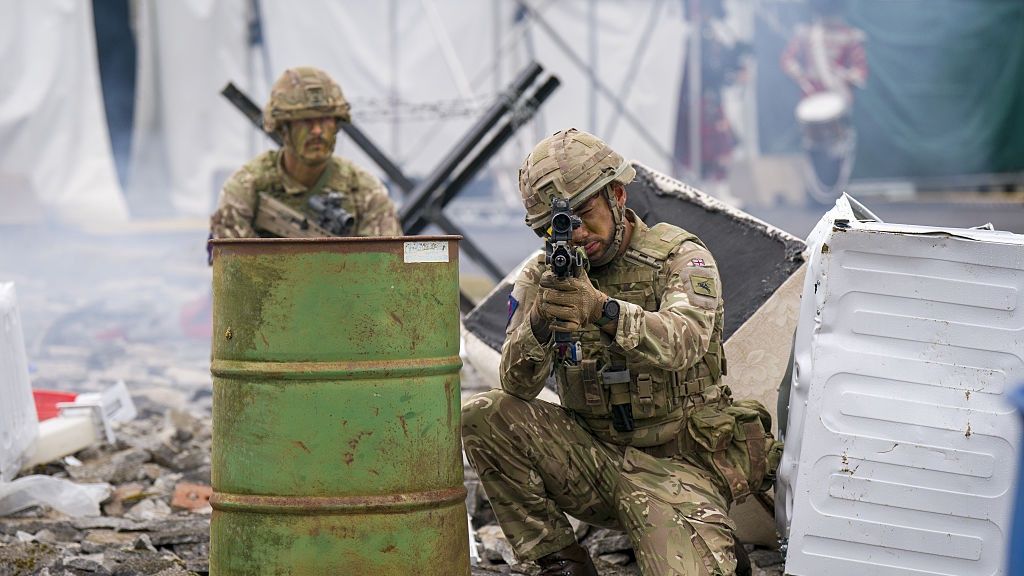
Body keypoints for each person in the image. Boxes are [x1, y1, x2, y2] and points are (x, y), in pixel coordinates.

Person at [462, 129, 782, 575]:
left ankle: (713, 543)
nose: (576, 235)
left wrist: (602, 310)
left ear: (616, 194)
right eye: (557, 226)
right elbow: (516, 384)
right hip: (595, 459)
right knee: (483, 413)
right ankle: (559, 561)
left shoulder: (680, 257)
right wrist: (540, 320)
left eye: (584, 214)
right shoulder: (543, 275)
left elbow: (684, 342)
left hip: (678, 464)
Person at [210, 66, 401, 239]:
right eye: (305, 121)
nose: (317, 130)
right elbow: (230, 266)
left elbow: (392, 261)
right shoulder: (248, 186)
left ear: (336, 125)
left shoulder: (363, 189)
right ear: (283, 128)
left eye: (325, 120)